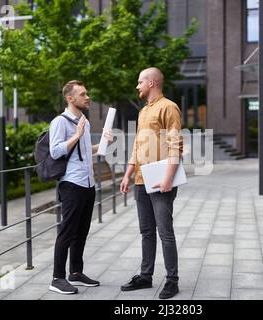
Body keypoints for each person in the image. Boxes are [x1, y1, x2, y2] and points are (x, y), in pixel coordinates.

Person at [120, 67, 183, 299]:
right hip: (140, 180)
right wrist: (127, 174)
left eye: (139, 82)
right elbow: (138, 146)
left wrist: (168, 179)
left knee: (165, 232)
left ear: (151, 83)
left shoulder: (169, 107)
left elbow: (176, 145)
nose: (137, 86)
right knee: (146, 231)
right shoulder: (143, 111)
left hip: (160, 181)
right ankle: (145, 276)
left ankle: (172, 281)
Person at [48, 80, 113, 295]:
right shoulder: (60, 122)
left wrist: (104, 143)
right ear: (70, 98)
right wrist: (76, 135)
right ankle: (57, 278)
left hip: (87, 183)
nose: (87, 97)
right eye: (83, 94)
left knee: (82, 232)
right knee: (67, 231)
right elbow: (56, 151)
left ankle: (75, 272)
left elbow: (86, 151)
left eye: (87, 93)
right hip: (72, 184)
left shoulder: (82, 120)